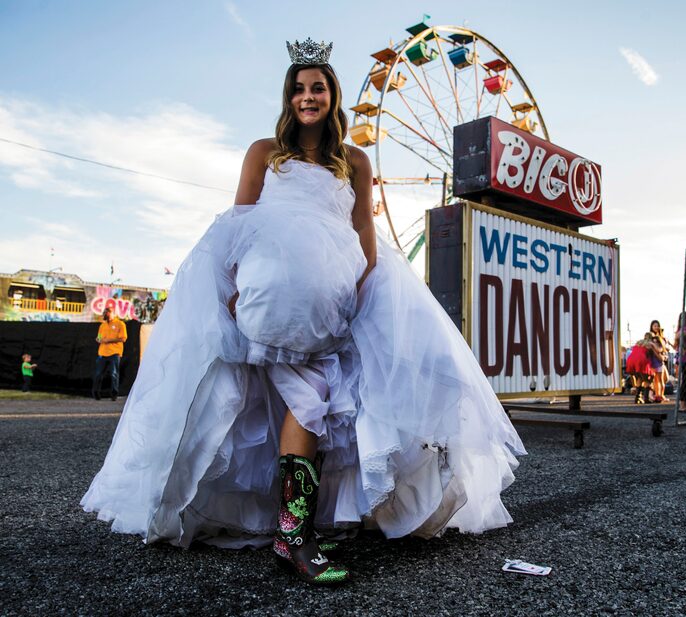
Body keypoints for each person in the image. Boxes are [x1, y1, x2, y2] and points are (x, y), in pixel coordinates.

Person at [81, 40, 525, 587]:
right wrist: (233, 285)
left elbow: (364, 234)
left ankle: (288, 530)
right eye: (298, 88)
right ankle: (282, 531)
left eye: (317, 88)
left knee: (313, 404)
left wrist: (354, 293)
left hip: (326, 304)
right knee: (243, 400)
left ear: (333, 96)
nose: (307, 97)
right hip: (269, 297)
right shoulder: (264, 152)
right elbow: (240, 221)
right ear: (288, 98)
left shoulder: (355, 162)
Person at [92, 306, 127, 401]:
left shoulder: (120, 324)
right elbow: (99, 337)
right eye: (105, 313)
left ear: (113, 313)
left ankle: (114, 393)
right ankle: (96, 393)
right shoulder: (102, 325)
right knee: (98, 374)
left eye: (109, 312)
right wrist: (98, 339)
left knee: (114, 374)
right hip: (102, 353)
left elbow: (123, 338)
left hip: (114, 353)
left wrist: (109, 340)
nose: (106, 314)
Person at [626, 333, 658, 404]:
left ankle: (637, 398)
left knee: (639, 378)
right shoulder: (650, 344)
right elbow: (657, 351)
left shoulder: (639, 342)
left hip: (631, 360)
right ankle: (646, 398)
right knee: (648, 378)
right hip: (641, 360)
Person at [648, 320, 669, 403]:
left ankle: (658, 394)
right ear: (651, 327)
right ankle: (658, 395)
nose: (656, 327)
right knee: (657, 380)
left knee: (664, 378)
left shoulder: (661, 337)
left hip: (660, 360)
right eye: (654, 326)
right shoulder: (652, 337)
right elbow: (658, 349)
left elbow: (664, 348)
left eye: (657, 326)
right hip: (655, 360)